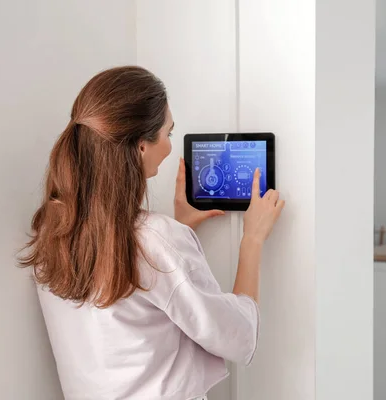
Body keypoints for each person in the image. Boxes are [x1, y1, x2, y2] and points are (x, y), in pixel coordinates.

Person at [19, 66, 285, 400]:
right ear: (142, 146)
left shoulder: (51, 230)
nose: (171, 147)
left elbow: (128, 318)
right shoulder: (156, 240)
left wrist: (181, 228)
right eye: (168, 134)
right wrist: (253, 240)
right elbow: (238, 335)